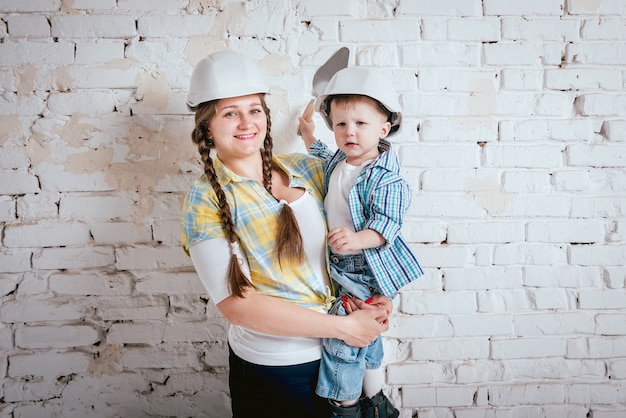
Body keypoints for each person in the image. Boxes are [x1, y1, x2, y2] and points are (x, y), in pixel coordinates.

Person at [181, 51, 393, 418]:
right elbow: (237, 305)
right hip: (277, 369)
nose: (247, 122)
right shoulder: (205, 199)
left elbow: (364, 201)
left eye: (255, 109)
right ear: (207, 127)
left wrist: (374, 298)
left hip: (340, 353)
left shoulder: (303, 168)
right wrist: (342, 327)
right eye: (230, 112)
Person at [299, 66, 424, 418]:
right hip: (342, 262)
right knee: (366, 337)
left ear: (384, 129)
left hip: (363, 267)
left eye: (360, 124)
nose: (349, 132)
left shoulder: (386, 178)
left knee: (345, 339)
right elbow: (321, 155)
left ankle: (346, 406)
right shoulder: (343, 159)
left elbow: (387, 227)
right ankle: (377, 401)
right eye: (340, 124)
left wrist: (356, 239)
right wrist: (307, 133)